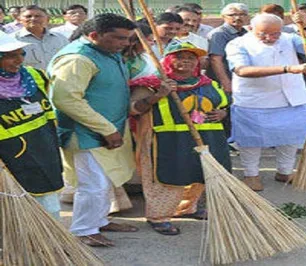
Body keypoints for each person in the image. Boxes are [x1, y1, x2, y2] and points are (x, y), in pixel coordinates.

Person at [48, 13, 139, 247]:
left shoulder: (108, 52)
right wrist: (106, 129)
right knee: (93, 184)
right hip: (86, 132)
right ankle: (84, 230)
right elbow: (66, 99)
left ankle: (99, 220)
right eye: (119, 38)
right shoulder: (77, 58)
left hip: (108, 129)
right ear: (94, 36)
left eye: (128, 38)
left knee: (106, 180)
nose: (125, 44)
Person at [130, 41, 230, 234]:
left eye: (191, 58)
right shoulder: (153, 84)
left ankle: (186, 208)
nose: (186, 61)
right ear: (167, 60)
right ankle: (158, 216)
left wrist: (222, 114)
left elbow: (222, 105)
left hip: (206, 137)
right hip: (166, 140)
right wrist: (159, 95)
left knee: (199, 174)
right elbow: (134, 109)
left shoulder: (209, 83)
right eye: (179, 57)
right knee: (167, 177)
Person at [226, 13, 306, 191]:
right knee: (251, 141)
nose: (270, 38)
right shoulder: (238, 44)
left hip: (292, 97)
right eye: (263, 34)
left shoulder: (290, 38)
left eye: (275, 34)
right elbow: (242, 70)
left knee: (290, 138)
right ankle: (251, 175)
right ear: (251, 29)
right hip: (255, 100)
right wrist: (288, 68)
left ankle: (285, 171)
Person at [0, 34, 63, 218]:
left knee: (49, 206)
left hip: (44, 148)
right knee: (15, 210)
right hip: (10, 158)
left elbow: (49, 112)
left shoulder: (34, 76)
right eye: (10, 56)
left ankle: (51, 243)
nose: (19, 60)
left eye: (22, 53)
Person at [207, 3, 249, 93]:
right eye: (232, 15)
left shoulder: (246, 33)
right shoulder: (219, 34)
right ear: (223, 17)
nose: (238, 18)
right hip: (227, 81)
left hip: (242, 80)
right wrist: (225, 82)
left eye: (242, 14)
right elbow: (215, 60)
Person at [11, 5, 68, 70]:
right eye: (28, 16)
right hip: (28, 79)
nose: (33, 19)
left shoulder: (61, 38)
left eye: (38, 16)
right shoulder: (12, 40)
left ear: (48, 19)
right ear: (19, 20)